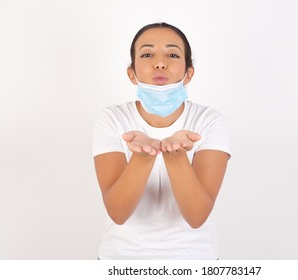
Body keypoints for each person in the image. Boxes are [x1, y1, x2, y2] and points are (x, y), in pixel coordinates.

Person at [92, 22, 231, 259]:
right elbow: (118, 212)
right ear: (131, 73)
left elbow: (197, 216)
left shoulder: (209, 120)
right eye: (147, 54)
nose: (160, 62)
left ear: (189, 73)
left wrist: (175, 157)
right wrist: (142, 157)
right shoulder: (112, 119)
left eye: (172, 54)